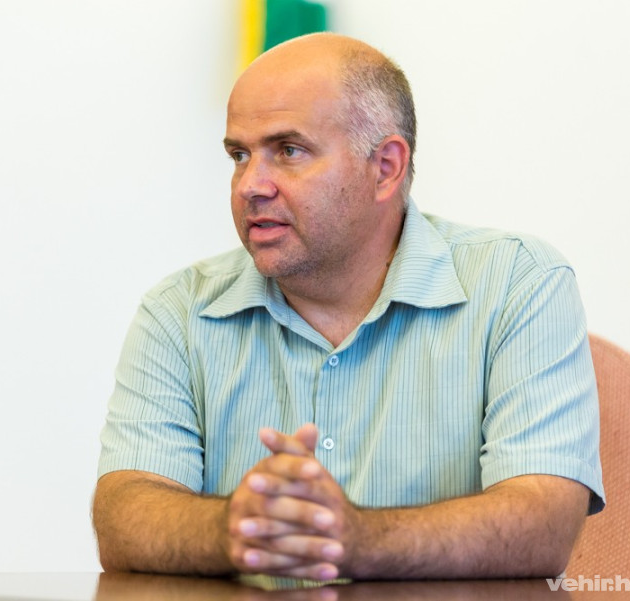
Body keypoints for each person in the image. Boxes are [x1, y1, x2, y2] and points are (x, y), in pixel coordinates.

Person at [92, 33, 604, 582]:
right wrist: (232, 528)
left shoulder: (518, 284)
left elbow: (543, 523)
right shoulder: (177, 311)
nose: (249, 186)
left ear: (385, 167)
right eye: (240, 155)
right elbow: (124, 516)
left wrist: (358, 539)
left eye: (288, 151)